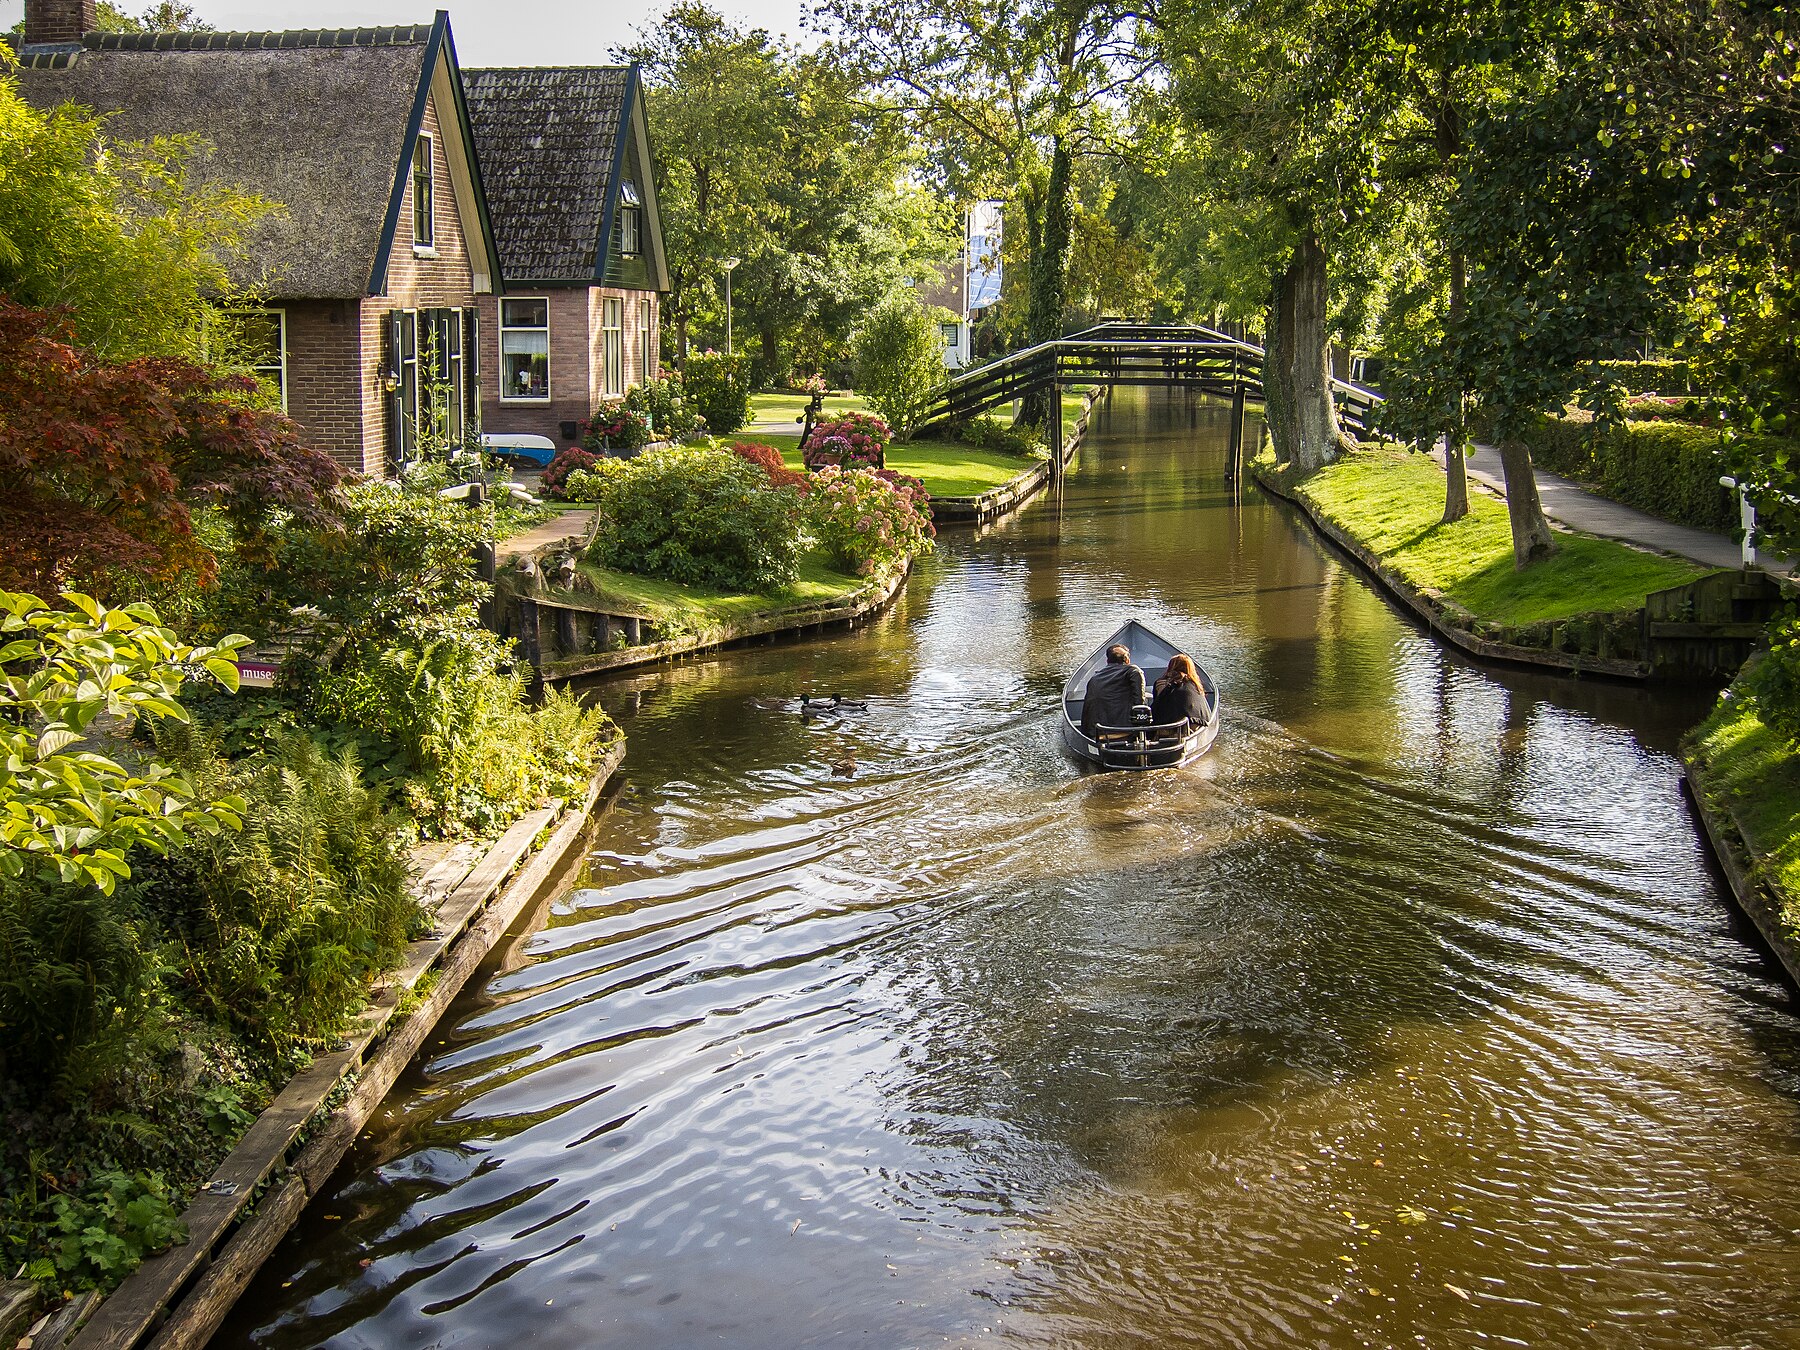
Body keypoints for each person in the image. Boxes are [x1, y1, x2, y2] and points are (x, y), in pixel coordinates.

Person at [1081, 644, 1145, 737]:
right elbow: (1139, 701)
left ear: (1107, 661)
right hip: (1123, 730)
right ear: (1127, 660)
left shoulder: (1095, 677)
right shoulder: (1133, 671)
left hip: (1095, 731)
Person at [1151, 653, 1212, 730]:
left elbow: (1159, 704)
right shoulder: (1195, 685)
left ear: (1170, 667)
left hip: (1170, 726)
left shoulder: (1161, 683)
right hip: (1196, 724)